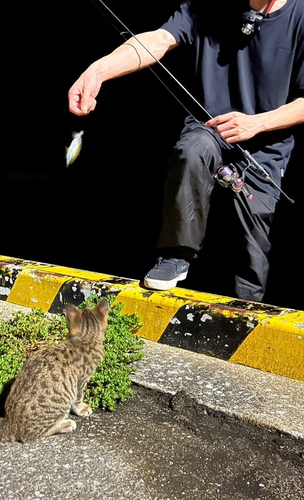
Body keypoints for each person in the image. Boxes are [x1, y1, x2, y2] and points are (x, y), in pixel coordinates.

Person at [68, 0, 304, 303]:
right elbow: (159, 38)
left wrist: (258, 123)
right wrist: (98, 70)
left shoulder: (298, 16)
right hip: (211, 130)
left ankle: (245, 314)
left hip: (265, 145)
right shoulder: (207, 5)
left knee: (251, 265)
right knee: (193, 148)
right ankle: (175, 256)